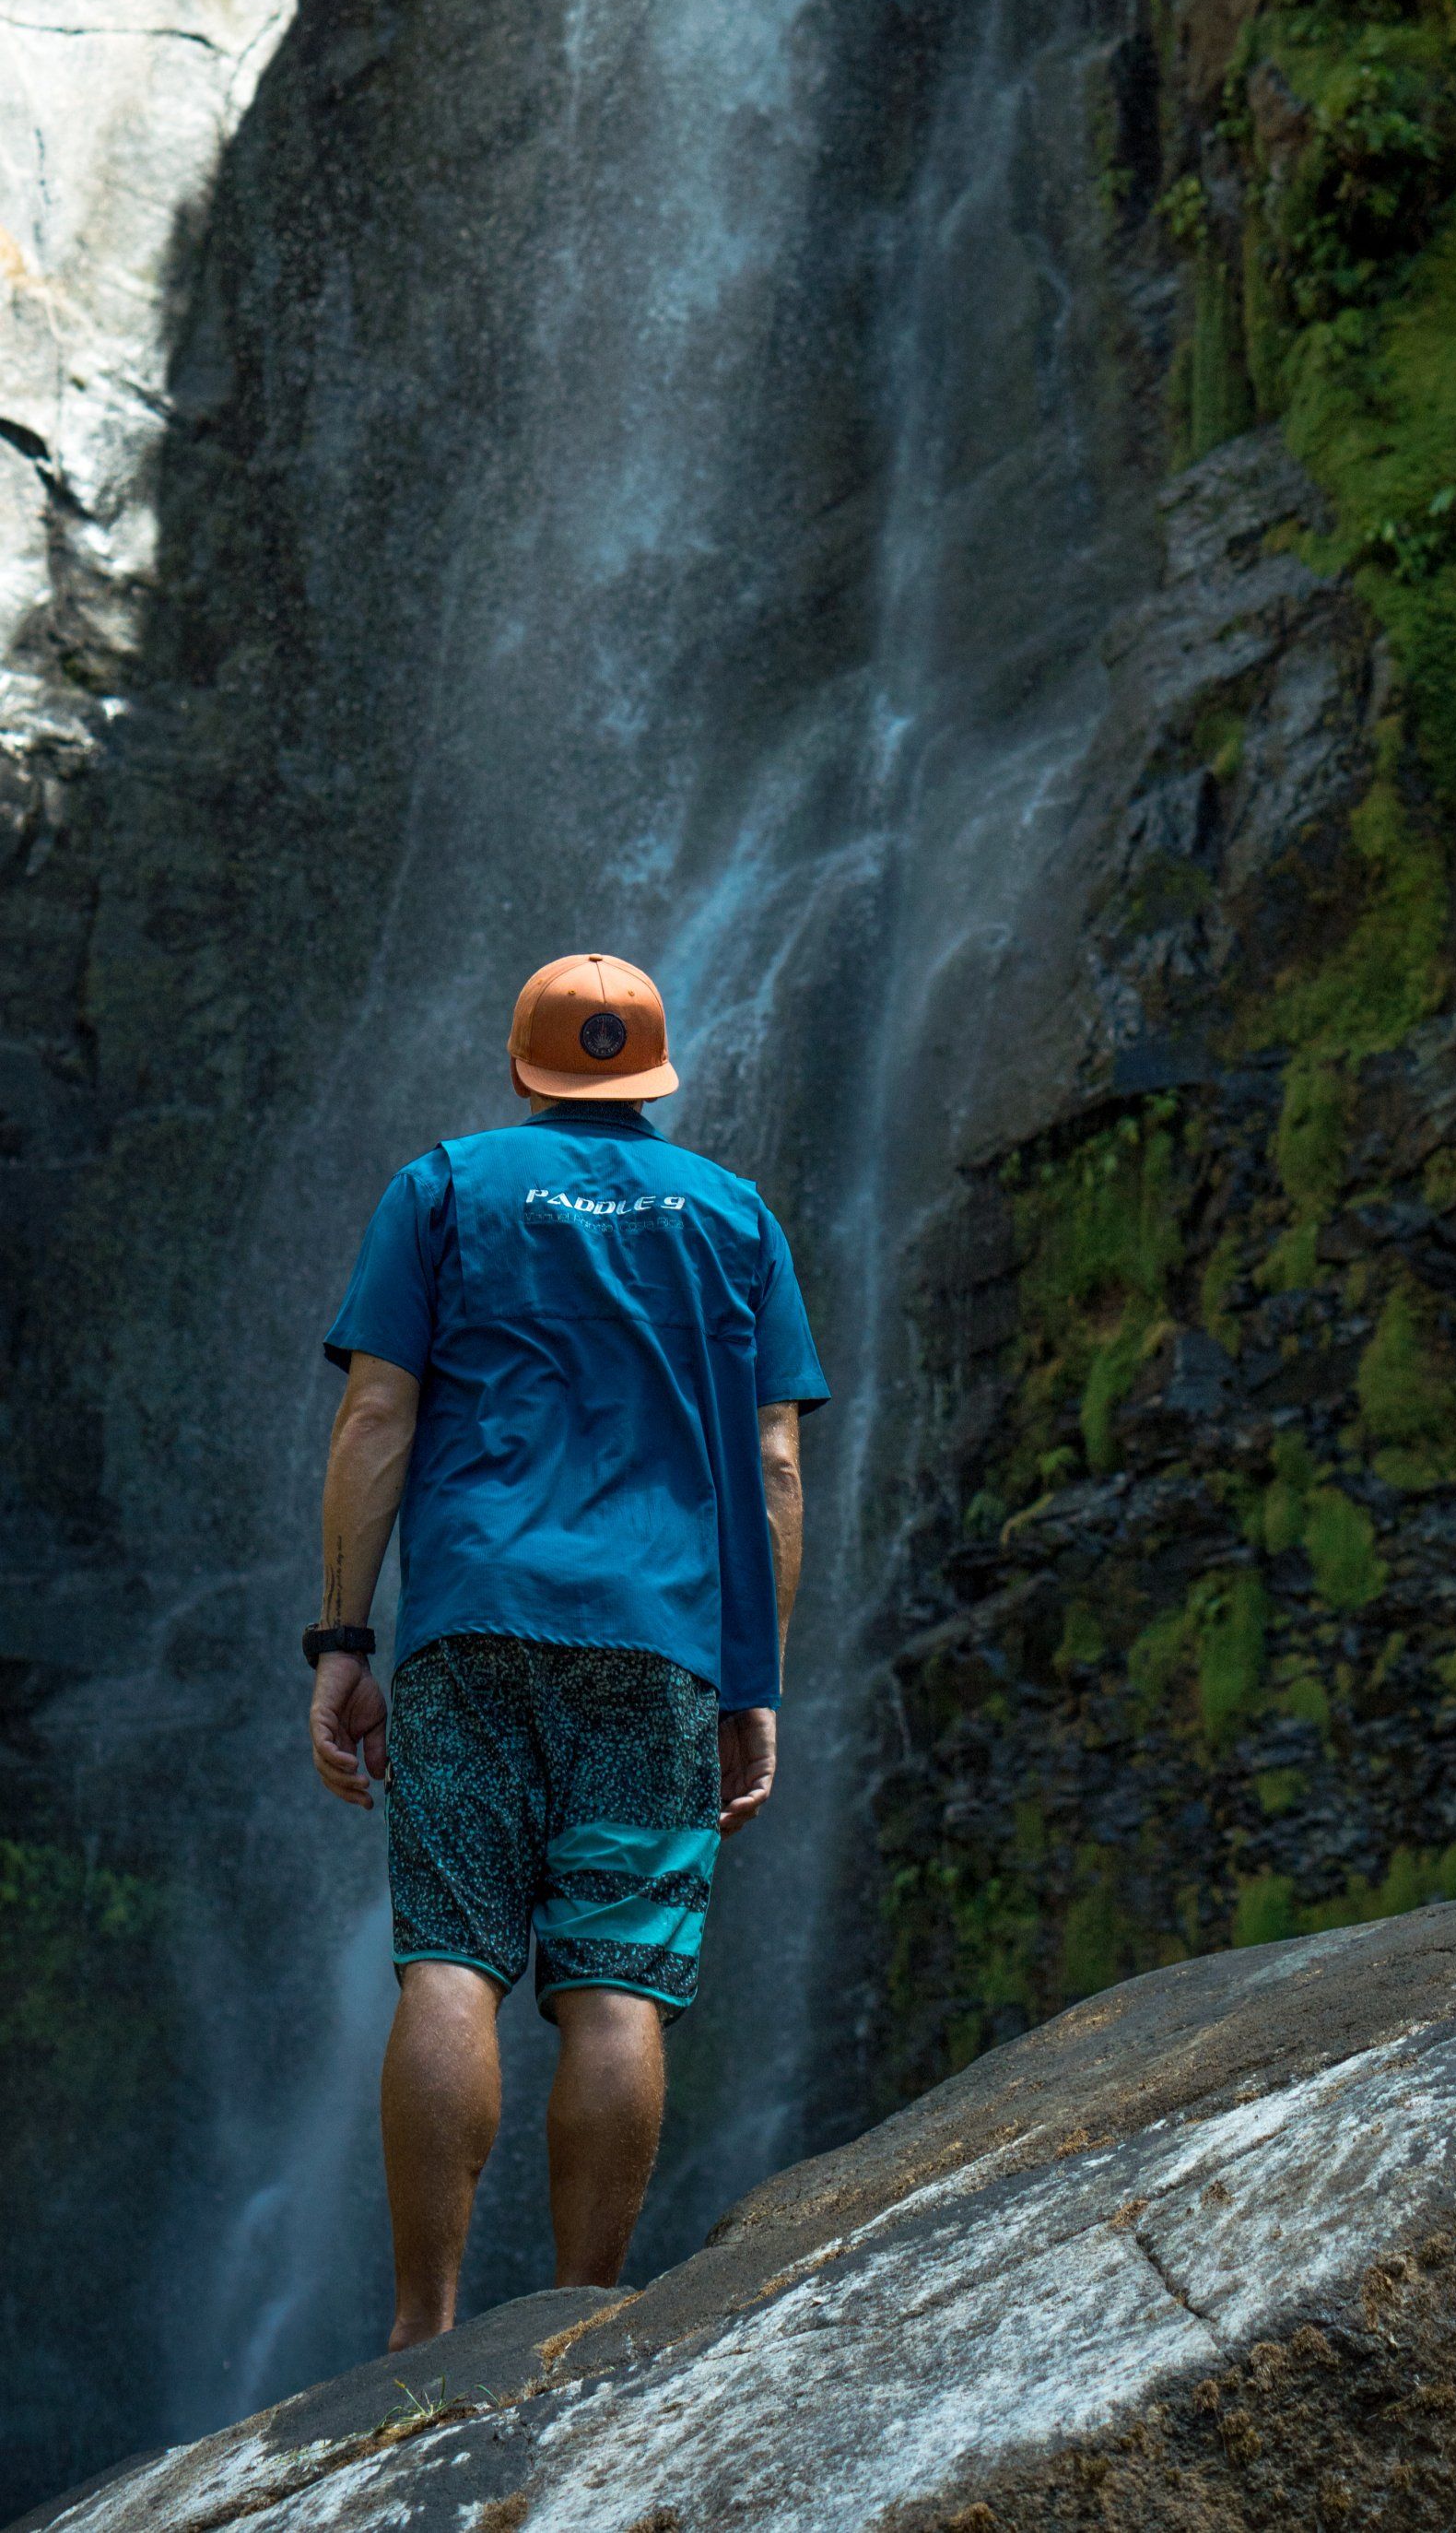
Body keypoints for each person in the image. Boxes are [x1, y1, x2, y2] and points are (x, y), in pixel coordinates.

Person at [303, 951, 828, 2350]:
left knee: (450, 1967)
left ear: (525, 1064)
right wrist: (752, 1678)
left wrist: (344, 1639)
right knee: (614, 1993)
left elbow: (375, 1422)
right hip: (661, 1644)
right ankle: (582, 2326)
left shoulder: (445, 1188)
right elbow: (776, 1464)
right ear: (652, 1072)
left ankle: (424, 2330)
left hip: (471, 1626)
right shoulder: (736, 1216)